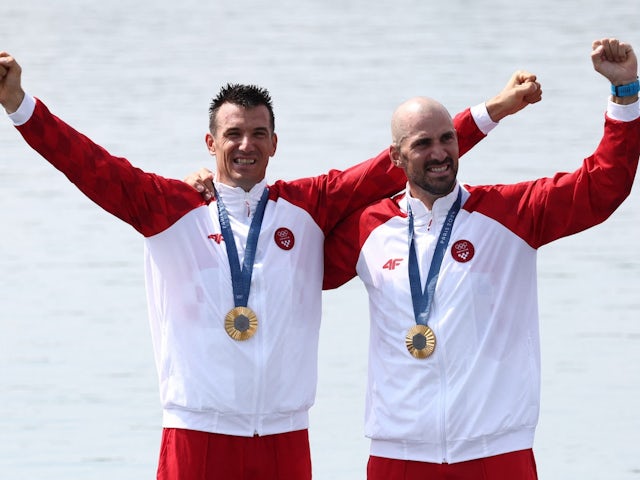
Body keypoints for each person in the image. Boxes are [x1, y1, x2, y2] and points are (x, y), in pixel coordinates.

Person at [0, 51, 540, 480]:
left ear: (275, 143)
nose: (245, 145)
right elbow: (91, 166)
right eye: (233, 134)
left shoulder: (308, 206)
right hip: (197, 436)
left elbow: (400, 159)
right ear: (211, 142)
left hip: (285, 441)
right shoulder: (170, 209)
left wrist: (493, 111)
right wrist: (20, 104)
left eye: (258, 133)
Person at [319, 37, 640, 480]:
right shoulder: (366, 229)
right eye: (423, 143)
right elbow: (285, 267)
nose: (439, 153)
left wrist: (625, 95)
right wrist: (210, 195)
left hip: (496, 452)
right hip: (399, 454)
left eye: (448, 139)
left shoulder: (513, 213)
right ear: (395, 157)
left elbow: (601, 187)